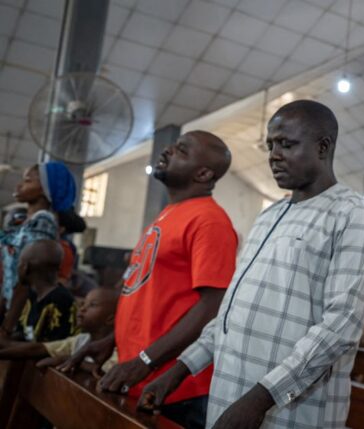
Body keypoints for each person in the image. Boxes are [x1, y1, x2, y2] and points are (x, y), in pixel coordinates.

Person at [138, 100, 364, 429]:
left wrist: (260, 398)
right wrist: (178, 370)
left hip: (290, 413)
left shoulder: (352, 215)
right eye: (271, 145)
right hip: (230, 401)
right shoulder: (269, 216)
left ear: (323, 147)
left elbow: (339, 329)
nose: (274, 155)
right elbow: (229, 315)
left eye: (287, 144)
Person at [59, 131, 238, 429]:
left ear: (204, 172)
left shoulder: (210, 221)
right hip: (139, 373)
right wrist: (112, 341)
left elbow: (213, 307)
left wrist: (145, 361)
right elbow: (148, 297)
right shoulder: (169, 214)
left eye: (181, 150)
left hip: (176, 388)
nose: (167, 150)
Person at [0, 162, 76, 336]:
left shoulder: (43, 222)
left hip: (20, 311)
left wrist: (7, 326)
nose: (19, 185)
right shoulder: (22, 220)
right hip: (9, 304)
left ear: (45, 189)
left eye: (27, 181)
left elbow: (29, 276)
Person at [0, 287, 118, 372]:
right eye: (83, 304)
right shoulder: (81, 340)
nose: (82, 309)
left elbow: (109, 371)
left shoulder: (118, 350)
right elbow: (39, 348)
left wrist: (68, 360)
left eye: (92, 305)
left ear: (110, 319)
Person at [16, 240, 77, 342]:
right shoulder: (31, 295)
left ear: (25, 267)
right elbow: (23, 334)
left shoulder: (61, 300)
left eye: (19, 263)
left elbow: (53, 347)